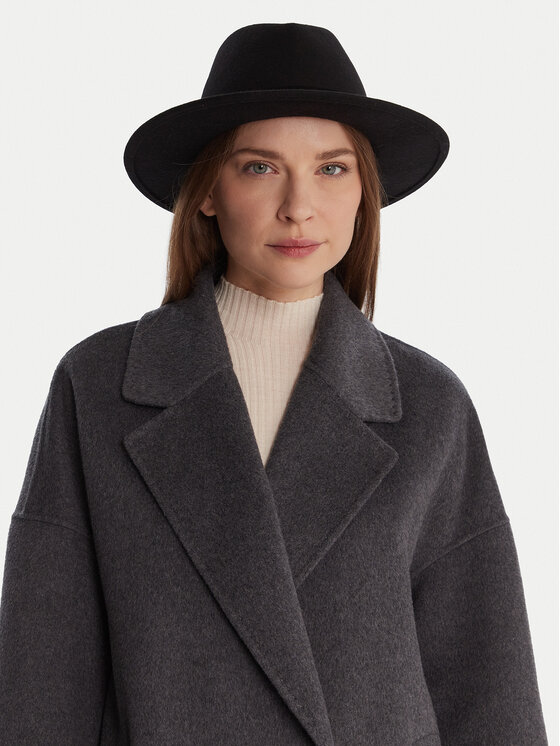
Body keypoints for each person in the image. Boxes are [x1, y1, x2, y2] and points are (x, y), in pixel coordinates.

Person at [0, 22, 549, 746]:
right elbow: (43, 678)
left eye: (332, 169)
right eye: (260, 167)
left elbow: (487, 686)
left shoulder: (427, 404)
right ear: (206, 191)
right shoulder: (101, 386)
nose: (299, 205)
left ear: (364, 192)